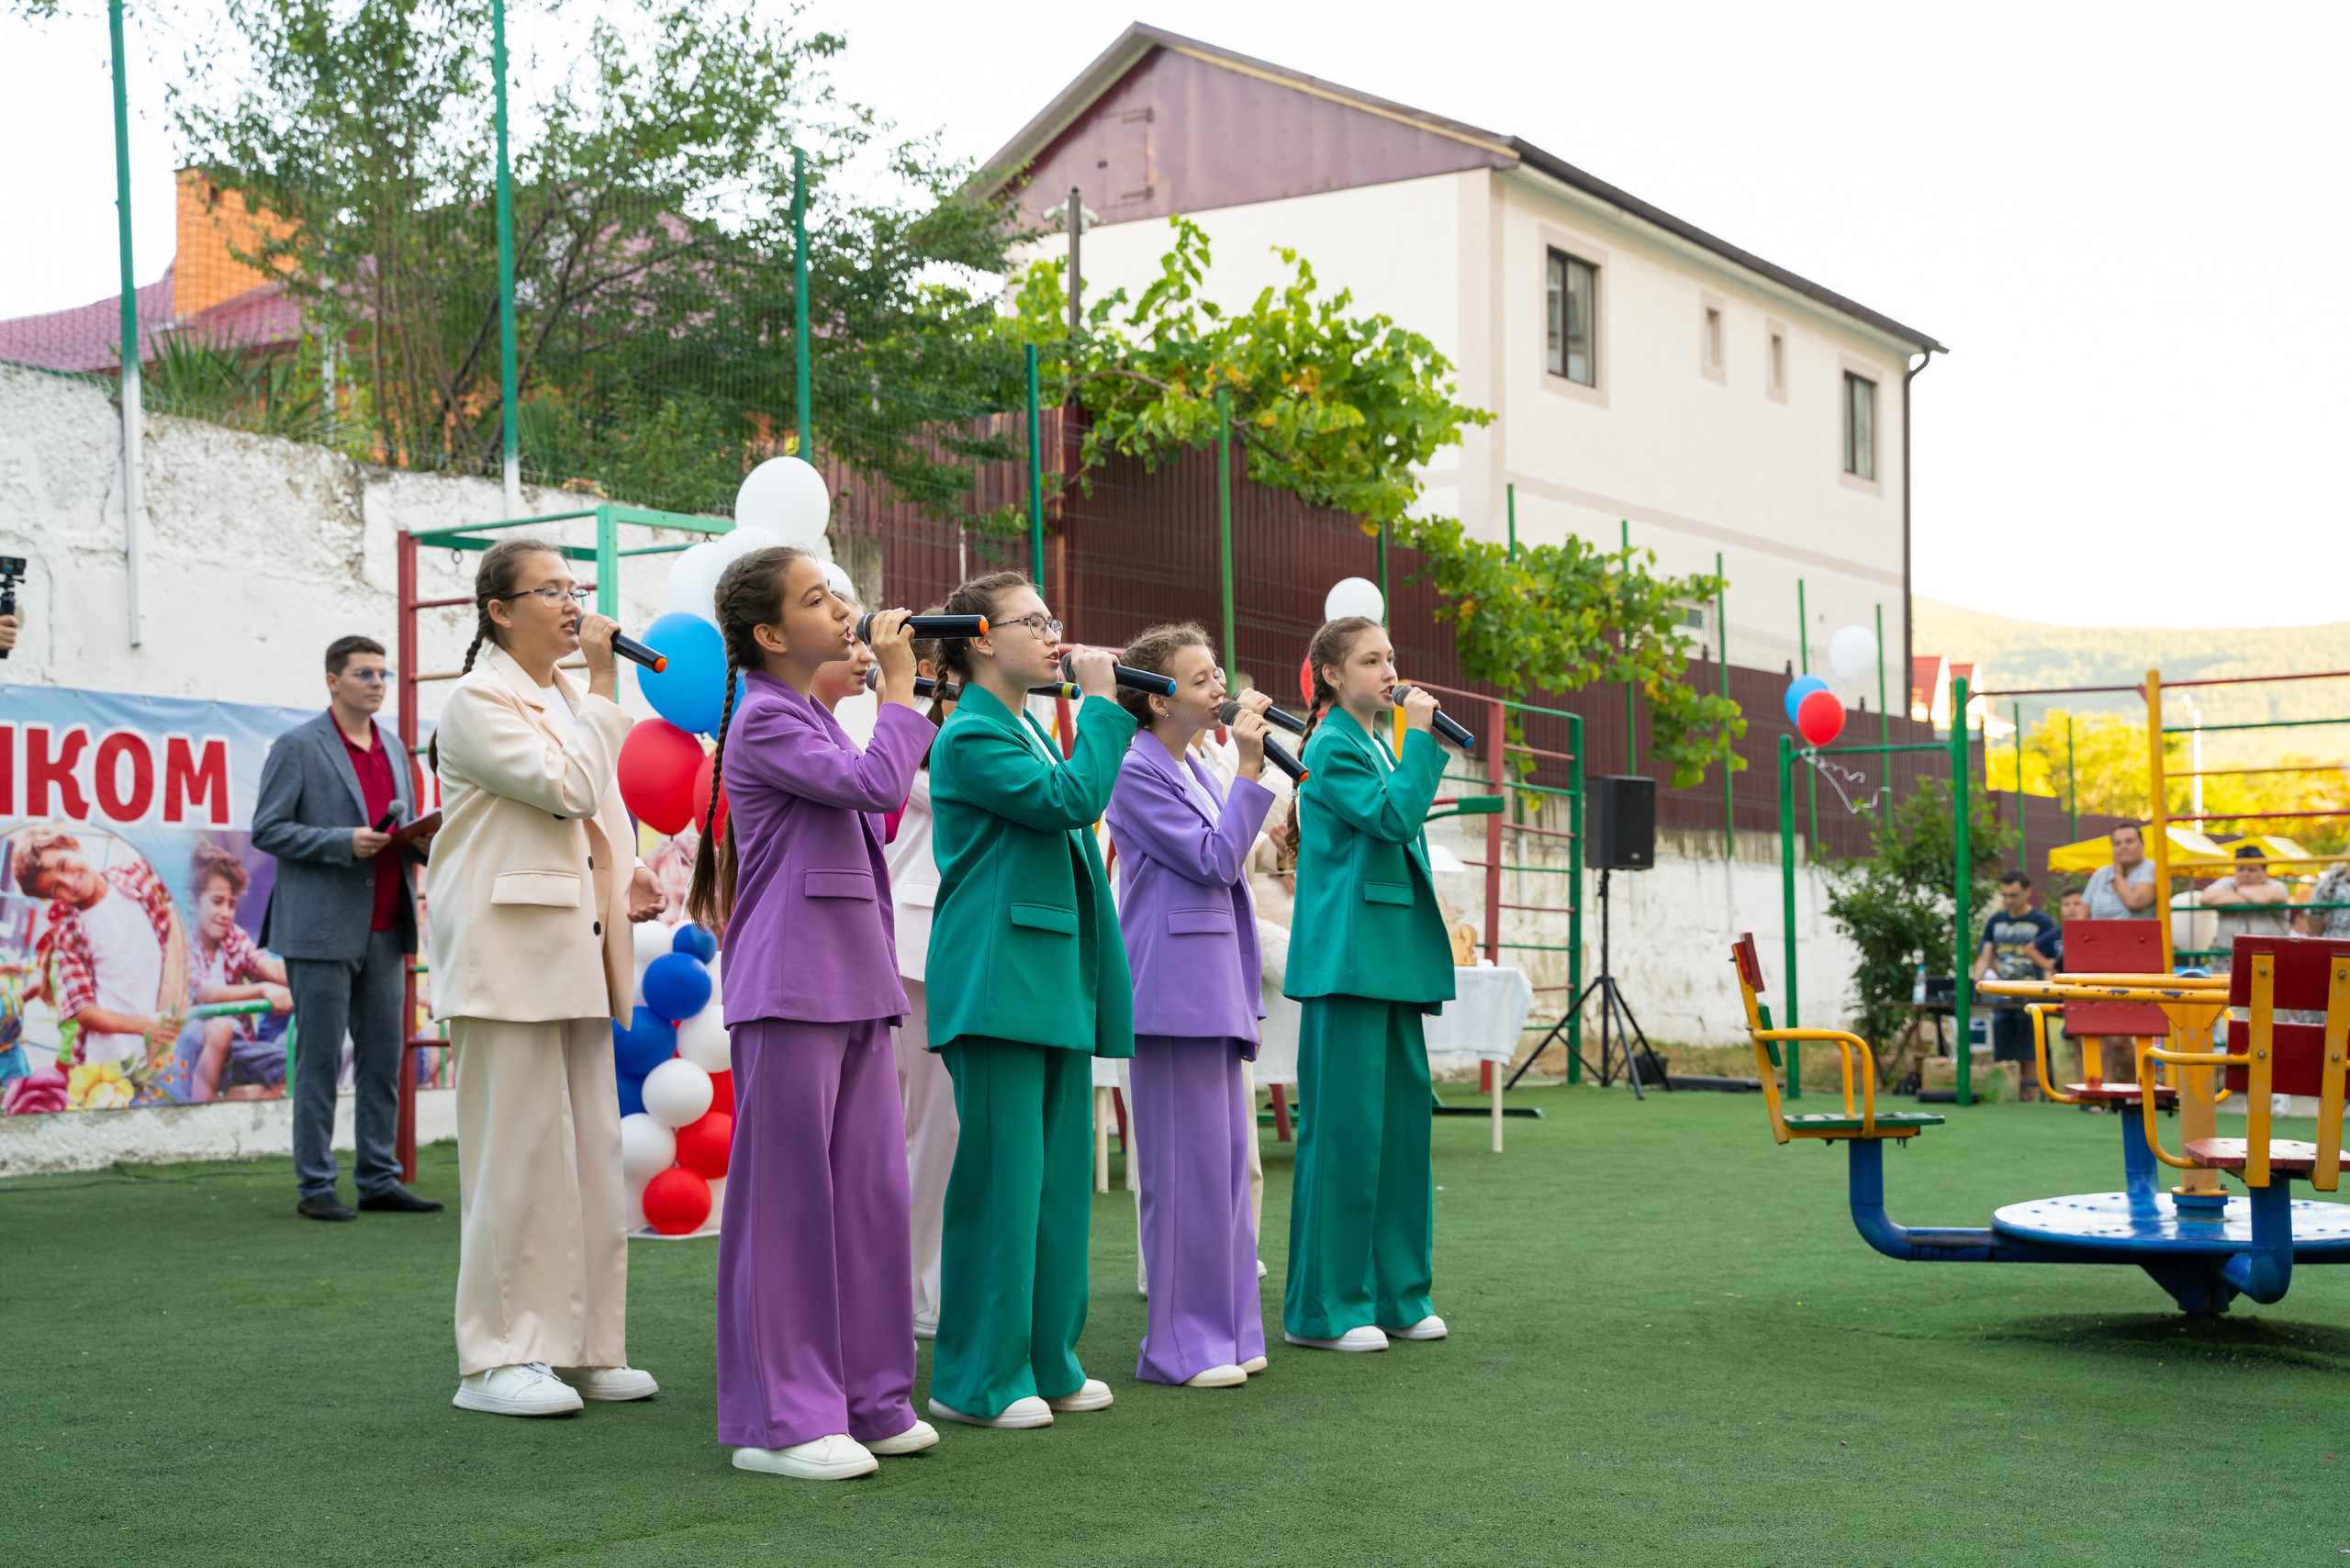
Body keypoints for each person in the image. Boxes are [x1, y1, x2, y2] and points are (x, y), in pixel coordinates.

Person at [685, 546, 939, 1481]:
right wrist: (901, 687)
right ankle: (782, 1418)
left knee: (870, 1198)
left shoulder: (813, 716)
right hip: (792, 984)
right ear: (767, 633)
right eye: (816, 598)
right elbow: (876, 789)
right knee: (789, 1206)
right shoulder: (762, 719)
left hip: (854, 979)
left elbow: (876, 811)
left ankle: (871, 1396)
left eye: (837, 596)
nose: (841, 610)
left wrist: (889, 699)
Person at [427, 538, 664, 1417]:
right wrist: (605, 684)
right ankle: (496, 1359)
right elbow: (565, 787)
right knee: (517, 1159)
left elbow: (597, 809)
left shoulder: (566, 693)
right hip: (508, 953)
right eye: (551, 590)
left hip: (578, 944)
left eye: (576, 587)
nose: (573, 604)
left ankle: (589, 1347)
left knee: (590, 1153)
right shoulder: (477, 699)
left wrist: (625, 869)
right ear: (499, 610)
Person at [923, 571, 1131, 1429]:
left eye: (1053, 619)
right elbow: (1069, 802)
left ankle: (1049, 1358)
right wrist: (1106, 705)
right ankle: (978, 1378)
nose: (1054, 636)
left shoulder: (1026, 729)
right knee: (1003, 1187)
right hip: (999, 976)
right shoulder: (971, 732)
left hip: (1048, 974)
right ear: (978, 641)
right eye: (1033, 622)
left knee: (1057, 1185)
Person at [1103, 622, 1277, 1390]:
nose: (1219, 689)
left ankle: (1231, 1329)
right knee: (1183, 1176)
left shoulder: (1195, 766)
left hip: (1213, 985)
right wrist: (1250, 767)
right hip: (1172, 990)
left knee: (1226, 1171)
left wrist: (1240, 771)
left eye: (1217, 676)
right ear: (1157, 697)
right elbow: (1214, 860)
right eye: (1201, 678)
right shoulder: (1134, 769)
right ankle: (1180, 1346)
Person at [1282, 616, 1454, 1353]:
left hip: (1392, 960)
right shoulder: (1330, 746)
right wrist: (1423, 742)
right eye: (1371, 661)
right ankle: (1325, 1310)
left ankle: (1399, 1295)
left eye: (1391, 658)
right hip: (1350, 961)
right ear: (1331, 675)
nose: (1390, 673)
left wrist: (1410, 743)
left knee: (1401, 1139)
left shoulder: (1378, 743)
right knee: (1346, 1140)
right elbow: (1393, 818)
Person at [252, 634, 439, 1221]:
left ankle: (378, 1178)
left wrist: (419, 840)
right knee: (319, 1061)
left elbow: (398, 825)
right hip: (319, 930)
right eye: (364, 673)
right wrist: (342, 842)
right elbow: (267, 829)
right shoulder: (298, 746)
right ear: (332, 681)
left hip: (387, 924)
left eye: (383, 673)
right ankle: (315, 1185)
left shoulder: (393, 747)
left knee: (383, 1060)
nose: (378, 683)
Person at [887, 621, 957, 1341]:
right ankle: (915, 1289)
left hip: (952, 945)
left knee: (944, 1124)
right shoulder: (909, 736)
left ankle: (930, 1283)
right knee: (931, 1126)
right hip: (919, 947)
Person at [7, 824, 182, 1079]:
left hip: (162, 1048)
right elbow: (84, 1012)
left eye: (63, 865)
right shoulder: (69, 935)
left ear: (73, 844)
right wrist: (146, 1024)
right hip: (108, 1063)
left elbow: (179, 931)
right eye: (56, 888)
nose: (69, 883)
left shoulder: (137, 877)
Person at [162, 844, 293, 1103]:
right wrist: (262, 989)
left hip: (237, 1047)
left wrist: (310, 980)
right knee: (220, 1029)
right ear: (193, 902)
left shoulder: (233, 936)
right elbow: (206, 993)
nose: (225, 913)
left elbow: (268, 966)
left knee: (292, 1062)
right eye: (217, 902)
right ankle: (199, 1112)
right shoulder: (182, 941)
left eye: (231, 904)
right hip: (191, 1046)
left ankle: (253, 1106)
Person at [1975, 871, 2058, 1100]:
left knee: (2030, 1049)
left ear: (2028, 892)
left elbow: (2050, 960)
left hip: (2032, 993)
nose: (2008, 900)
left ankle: (2030, 1095)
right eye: (2004, 895)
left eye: (2014, 895)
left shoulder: (2043, 922)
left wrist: (2047, 990)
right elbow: (1985, 956)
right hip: (2003, 994)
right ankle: (2007, 1093)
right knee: (2003, 1047)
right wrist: (1975, 984)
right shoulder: (1996, 921)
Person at [2188, 846, 2293, 970]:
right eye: (2240, 869)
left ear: (2264, 872)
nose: (2245, 874)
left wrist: (2239, 890)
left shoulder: (2277, 886)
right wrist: (2252, 896)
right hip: (2228, 959)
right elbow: (2207, 898)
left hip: (2269, 959)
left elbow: (2270, 897)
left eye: (2252, 870)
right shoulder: (2227, 882)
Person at [2084, 823, 2159, 921]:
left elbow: (2135, 902)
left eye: (2129, 841)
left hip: (2138, 930)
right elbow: (2083, 914)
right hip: (2099, 930)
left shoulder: (2152, 867)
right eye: (2117, 843)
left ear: (2142, 845)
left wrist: (2118, 874)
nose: (2123, 847)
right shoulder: (2100, 874)